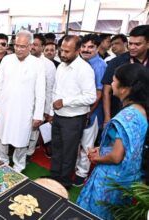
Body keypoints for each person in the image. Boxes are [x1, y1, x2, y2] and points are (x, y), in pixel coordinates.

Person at [77, 63, 149, 219]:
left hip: (110, 178)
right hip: (128, 177)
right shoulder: (141, 110)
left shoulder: (125, 117)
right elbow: (126, 145)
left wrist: (98, 157)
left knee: (95, 214)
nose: (111, 84)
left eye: (114, 80)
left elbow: (116, 156)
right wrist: (102, 149)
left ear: (125, 88)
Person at [0, 30, 46, 173]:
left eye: (23, 46)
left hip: (24, 111)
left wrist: (38, 115)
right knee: (2, 138)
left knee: (21, 141)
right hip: (4, 108)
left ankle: (18, 166)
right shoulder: (7, 60)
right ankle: (2, 162)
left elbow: (40, 92)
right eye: (17, 46)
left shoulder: (38, 64)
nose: (19, 49)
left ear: (30, 46)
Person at [50, 35, 96, 189]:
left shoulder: (85, 69)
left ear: (77, 51)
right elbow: (56, 90)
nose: (62, 54)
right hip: (58, 116)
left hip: (73, 118)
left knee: (68, 153)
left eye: (67, 51)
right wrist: (52, 110)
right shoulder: (62, 65)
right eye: (61, 50)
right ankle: (54, 178)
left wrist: (65, 102)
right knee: (56, 149)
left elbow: (91, 97)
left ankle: (63, 183)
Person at [74, 34, 107, 186]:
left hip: (92, 113)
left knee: (87, 145)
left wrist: (88, 112)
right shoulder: (78, 62)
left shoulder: (99, 65)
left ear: (97, 48)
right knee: (75, 143)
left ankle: (82, 174)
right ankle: (74, 169)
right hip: (77, 110)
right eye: (84, 46)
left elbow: (99, 94)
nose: (86, 50)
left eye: (90, 47)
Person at [101, 25, 149, 126]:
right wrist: (107, 118)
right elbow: (106, 91)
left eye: (137, 44)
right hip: (120, 114)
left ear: (148, 44)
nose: (132, 47)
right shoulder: (117, 62)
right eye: (130, 43)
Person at [27, 33, 56, 161]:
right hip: (23, 103)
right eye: (31, 44)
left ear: (42, 47)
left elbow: (50, 89)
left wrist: (48, 110)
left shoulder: (49, 65)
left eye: (36, 45)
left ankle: (29, 153)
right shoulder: (24, 59)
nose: (32, 47)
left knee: (34, 131)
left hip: (39, 104)